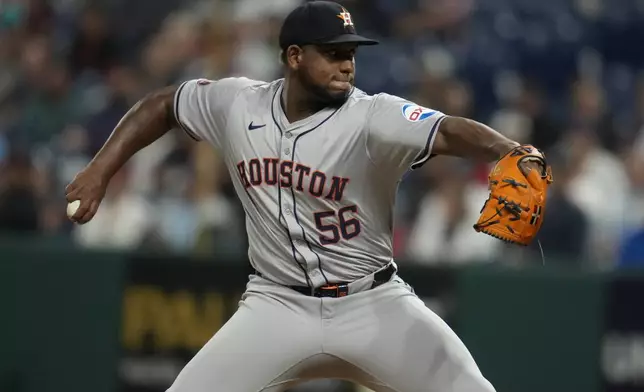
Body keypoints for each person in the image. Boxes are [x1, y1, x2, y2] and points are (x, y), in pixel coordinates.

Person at [65, 2, 527, 391]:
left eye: (351, 53)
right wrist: (100, 169)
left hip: (373, 303)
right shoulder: (238, 104)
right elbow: (164, 104)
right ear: (293, 56)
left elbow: (447, 130)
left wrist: (509, 151)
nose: (347, 64)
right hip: (276, 306)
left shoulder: (373, 117)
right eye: (332, 53)